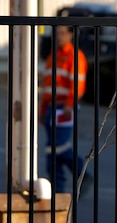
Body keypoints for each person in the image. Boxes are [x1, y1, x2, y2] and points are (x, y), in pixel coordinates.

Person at [40, 24, 90, 191]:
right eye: (56, 33)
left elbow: (78, 84)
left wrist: (69, 104)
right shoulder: (52, 56)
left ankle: (82, 174)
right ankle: (58, 190)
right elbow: (47, 87)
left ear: (70, 35)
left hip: (64, 108)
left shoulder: (74, 56)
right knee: (52, 150)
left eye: (62, 33)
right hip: (50, 108)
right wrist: (42, 109)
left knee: (58, 148)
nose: (58, 36)